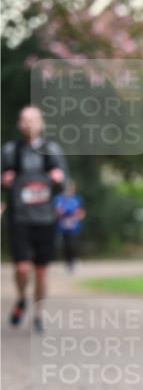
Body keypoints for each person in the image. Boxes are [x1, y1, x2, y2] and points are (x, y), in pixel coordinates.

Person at [1, 106, 67, 331]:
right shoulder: (10, 151)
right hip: (19, 217)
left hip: (45, 219)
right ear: (19, 124)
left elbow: (64, 184)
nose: (29, 123)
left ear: (41, 123)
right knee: (21, 268)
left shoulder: (52, 150)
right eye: (24, 119)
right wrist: (5, 181)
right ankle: (21, 298)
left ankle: (38, 315)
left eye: (33, 119)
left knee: (40, 272)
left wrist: (59, 180)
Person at [55, 180, 86, 270]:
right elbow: (57, 212)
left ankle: (73, 260)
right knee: (66, 244)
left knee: (73, 243)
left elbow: (81, 212)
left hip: (74, 224)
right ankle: (68, 261)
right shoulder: (59, 199)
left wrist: (78, 217)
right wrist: (59, 213)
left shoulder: (77, 199)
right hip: (63, 225)